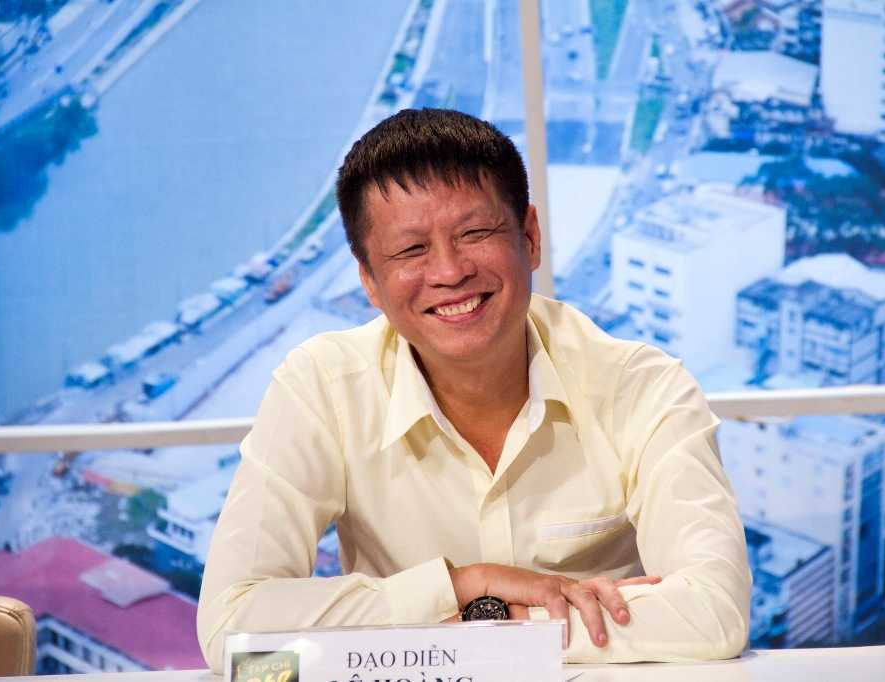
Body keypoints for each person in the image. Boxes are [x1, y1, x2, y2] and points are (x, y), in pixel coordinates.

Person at [197, 109, 750, 672]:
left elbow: (715, 611)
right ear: (369, 281)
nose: (450, 271)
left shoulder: (642, 387)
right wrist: (463, 585)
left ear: (530, 237)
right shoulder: (323, 387)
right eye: (411, 250)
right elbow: (230, 627)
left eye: (475, 234)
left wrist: (480, 626)